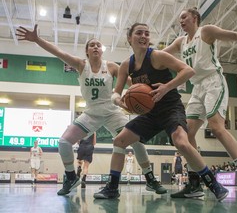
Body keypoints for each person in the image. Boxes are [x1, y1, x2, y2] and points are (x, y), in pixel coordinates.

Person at [16, 24, 166, 196]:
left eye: (98, 45)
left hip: (112, 111)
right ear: (86, 51)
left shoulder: (111, 67)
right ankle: (71, 177)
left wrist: (142, 97)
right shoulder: (81, 65)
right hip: (91, 113)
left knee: (137, 142)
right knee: (64, 143)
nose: (96, 47)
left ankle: (149, 178)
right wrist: (37, 40)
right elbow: (58, 52)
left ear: (102, 51)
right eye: (92, 45)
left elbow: (133, 84)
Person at [94, 22, 228, 201]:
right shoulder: (127, 65)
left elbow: (188, 70)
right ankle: (112, 187)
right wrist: (120, 101)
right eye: (139, 33)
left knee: (181, 142)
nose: (144, 36)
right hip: (149, 113)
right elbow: (115, 93)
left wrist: (167, 87)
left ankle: (213, 184)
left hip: (170, 108)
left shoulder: (157, 56)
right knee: (119, 140)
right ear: (129, 38)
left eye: (147, 33)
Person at [164, 7, 237, 200]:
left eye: (184, 17)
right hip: (197, 87)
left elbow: (232, 35)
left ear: (195, 18)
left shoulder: (205, 31)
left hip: (213, 81)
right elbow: (159, 56)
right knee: (187, 134)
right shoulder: (180, 42)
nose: (181, 21)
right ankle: (194, 183)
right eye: (179, 18)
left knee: (216, 127)